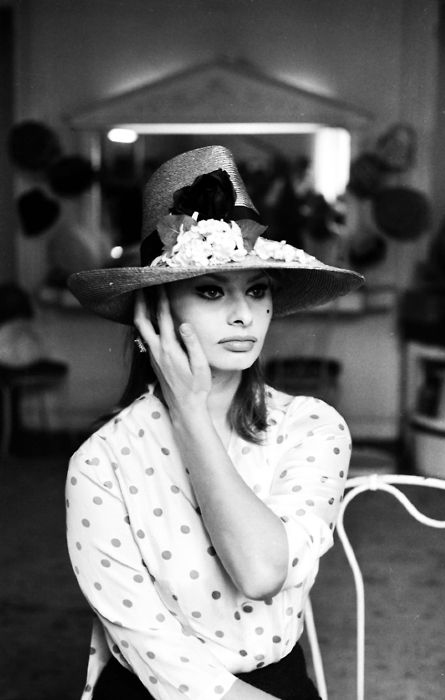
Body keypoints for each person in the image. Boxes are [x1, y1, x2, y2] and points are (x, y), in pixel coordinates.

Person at [66, 146, 364, 700]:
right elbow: (153, 651)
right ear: (155, 310)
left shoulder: (312, 427)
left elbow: (261, 573)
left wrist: (193, 420)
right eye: (210, 290)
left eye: (257, 289)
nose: (243, 315)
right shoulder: (101, 461)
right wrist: (185, 407)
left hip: (273, 680)